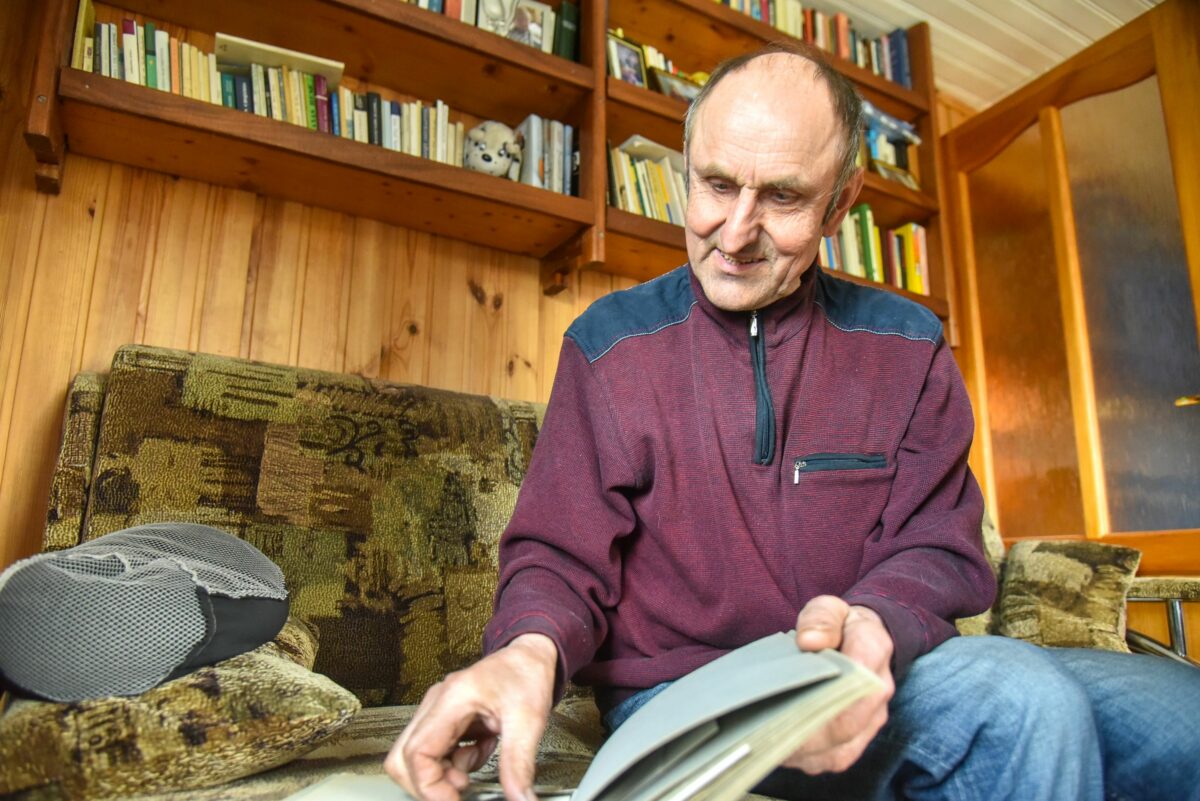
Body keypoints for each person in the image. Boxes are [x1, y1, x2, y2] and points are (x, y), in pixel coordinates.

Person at [387, 43, 1200, 801]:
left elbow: (936, 545)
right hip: (681, 690)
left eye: (782, 197)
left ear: (841, 203)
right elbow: (559, 554)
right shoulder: (607, 345)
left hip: (871, 665)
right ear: (686, 168)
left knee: (1186, 718)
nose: (736, 234)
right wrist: (528, 651)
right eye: (715, 185)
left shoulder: (910, 344)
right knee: (1021, 700)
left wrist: (875, 622)